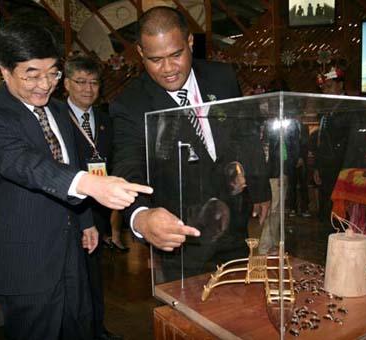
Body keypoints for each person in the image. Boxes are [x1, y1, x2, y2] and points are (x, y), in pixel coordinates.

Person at [0, 22, 152, 340]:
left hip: (72, 253)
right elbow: (23, 163)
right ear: (4, 70)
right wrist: (91, 185)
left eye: (52, 73)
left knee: (80, 327)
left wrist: (85, 223)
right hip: (28, 261)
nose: (45, 85)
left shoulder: (57, 109)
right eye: (32, 74)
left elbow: (69, 163)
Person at [109, 6, 270, 278]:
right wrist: (141, 217)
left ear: (190, 43)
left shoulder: (222, 77)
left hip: (233, 223)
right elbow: (128, 166)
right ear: (140, 53)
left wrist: (260, 186)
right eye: (155, 59)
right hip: (181, 235)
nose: (168, 69)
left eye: (176, 55)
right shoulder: (130, 104)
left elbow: (245, 134)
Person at [64, 55, 121, 340]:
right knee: (72, 278)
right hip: (67, 208)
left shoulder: (106, 120)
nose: (88, 89)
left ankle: (97, 329)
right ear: (66, 84)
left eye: (94, 82)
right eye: (81, 82)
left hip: (97, 210)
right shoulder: (57, 117)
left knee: (94, 276)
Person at [313, 66, 350, 223]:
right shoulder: (325, 109)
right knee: (325, 214)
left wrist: (347, 169)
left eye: (329, 86)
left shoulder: (350, 106)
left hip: (343, 168)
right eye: (323, 88)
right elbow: (321, 139)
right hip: (326, 168)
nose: (325, 91)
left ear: (340, 85)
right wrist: (317, 166)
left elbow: (351, 142)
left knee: (341, 216)